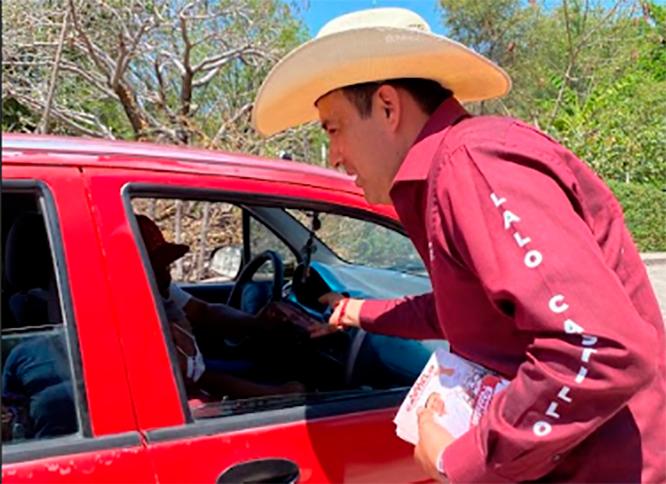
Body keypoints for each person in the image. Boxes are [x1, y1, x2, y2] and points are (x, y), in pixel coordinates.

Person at [251, 7, 665, 483]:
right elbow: (461, 309)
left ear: (387, 107)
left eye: (333, 128)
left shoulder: (473, 164)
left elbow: (601, 348)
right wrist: (355, 311)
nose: (335, 156)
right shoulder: (448, 174)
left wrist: (463, 462)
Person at [135, 214, 304, 399]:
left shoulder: (159, 288)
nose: (167, 272)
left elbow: (203, 311)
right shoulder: (134, 312)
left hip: (200, 373)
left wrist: (256, 322)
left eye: (166, 264)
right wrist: (276, 394)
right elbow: (196, 379)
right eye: (158, 264)